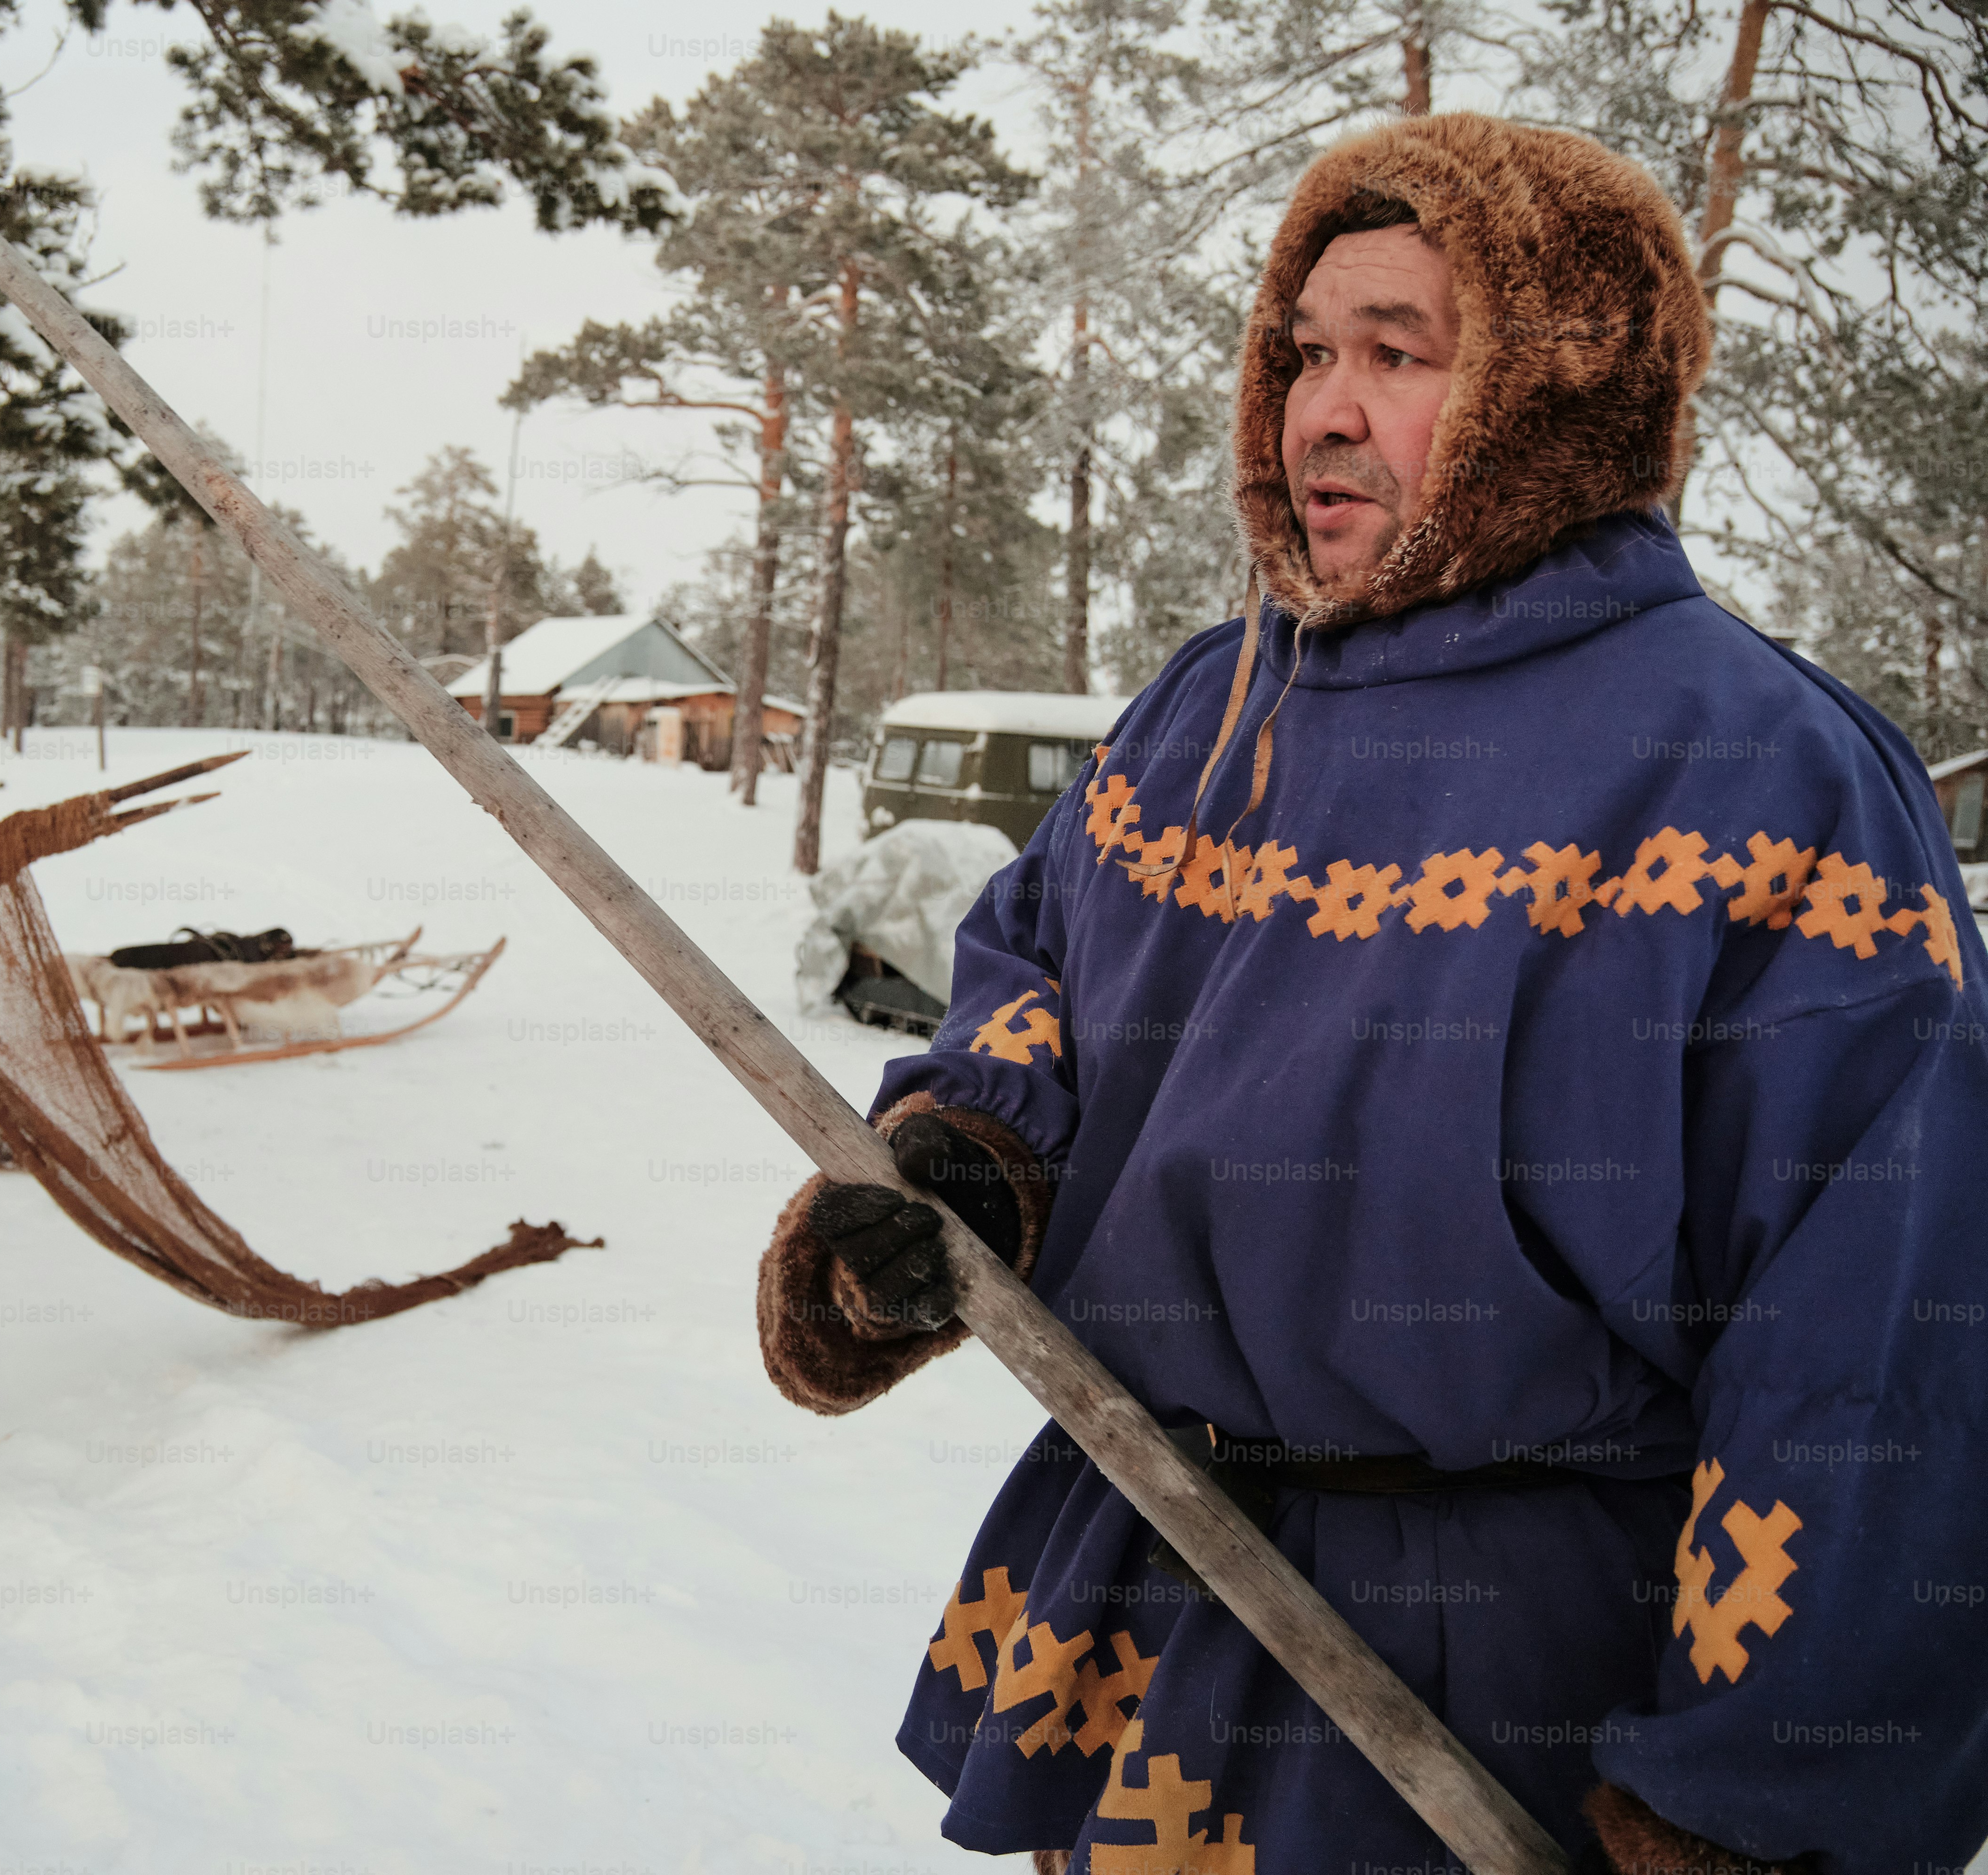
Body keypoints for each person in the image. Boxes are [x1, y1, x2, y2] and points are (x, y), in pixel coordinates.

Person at [755, 114, 1988, 1873]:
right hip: (1154, 1629)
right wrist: (966, 1165)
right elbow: (1033, 972)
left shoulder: (1760, 772)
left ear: (1560, 391)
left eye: (1397, 355)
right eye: (1304, 353)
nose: (1317, 410)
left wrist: (1764, 1800)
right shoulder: (1210, 712)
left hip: (1510, 1693)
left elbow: (1881, 1344)